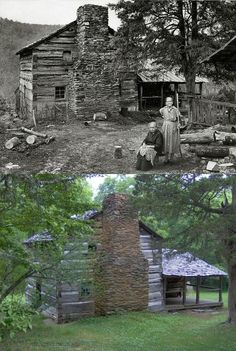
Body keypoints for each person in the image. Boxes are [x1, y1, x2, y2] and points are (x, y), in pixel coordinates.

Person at [160, 97, 181, 164]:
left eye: (170, 101)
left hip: (173, 126)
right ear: (166, 102)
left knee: (173, 141)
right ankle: (166, 159)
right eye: (167, 101)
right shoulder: (163, 109)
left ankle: (171, 159)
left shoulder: (175, 109)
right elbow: (161, 113)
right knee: (165, 141)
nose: (169, 103)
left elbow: (179, 118)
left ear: (172, 102)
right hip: (165, 126)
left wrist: (179, 124)